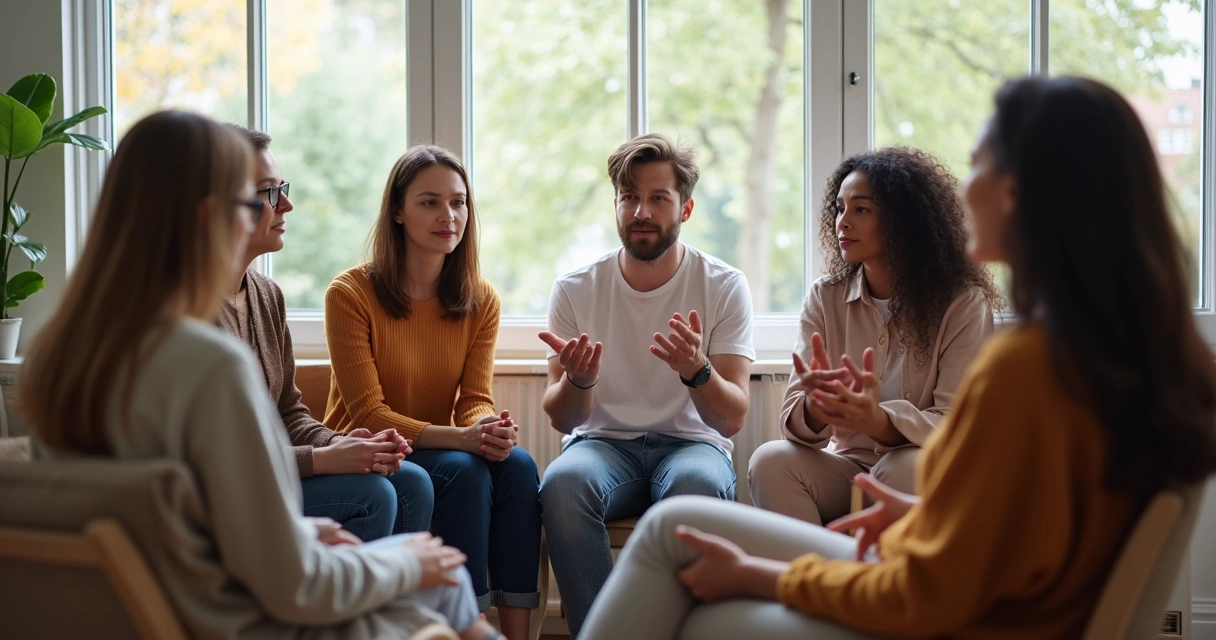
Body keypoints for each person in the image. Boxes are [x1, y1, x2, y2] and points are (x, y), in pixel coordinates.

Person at [578, 76, 1216, 640]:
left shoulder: (1026, 367)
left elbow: (927, 593)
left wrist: (767, 577)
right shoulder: (1136, 355)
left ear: (1023, 192)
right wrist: (917, 516)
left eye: (979, 165)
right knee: (684, 528)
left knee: (691, 573)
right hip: (975, 592)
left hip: (960, 617)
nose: (964, 188)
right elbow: (1016, 533)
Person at [19, 110, 501, 640]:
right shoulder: (207, 365)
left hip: (152, 606)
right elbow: (297, 587)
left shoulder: (54, 355)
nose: (276, 209)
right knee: (448, 578)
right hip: (242, 620)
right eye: (257, 200)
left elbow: (187, 513)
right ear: (209, 215)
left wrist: (305, 527)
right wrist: (411, 560)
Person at [537, 133, 755, 636]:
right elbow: (563, 418)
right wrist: (579, 380)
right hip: (602, 446)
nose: (642, 211)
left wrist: (697, 372)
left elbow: (732, 417)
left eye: (658, 198)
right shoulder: (575, 289)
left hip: (692, 447)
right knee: (563, 485)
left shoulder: (723, 285)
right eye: (629, 197)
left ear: (686, 208)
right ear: (615, 204)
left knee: (695, 486)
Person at [323, 145, 540, 640]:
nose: (449, 216)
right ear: (397, 212)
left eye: (459, 202)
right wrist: (462, 439)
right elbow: (371, 414)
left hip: (440, 444)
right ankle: (468, 626)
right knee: (465, 470)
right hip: (370, 449)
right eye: (429, 202)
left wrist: (485, 425)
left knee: (519, 465)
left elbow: (474, 397)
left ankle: (516, 633)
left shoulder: (480, 298)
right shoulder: (350, 294)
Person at [748, 147, 999, 525]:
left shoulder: (962, 303)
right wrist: (818, 408)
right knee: (768, 462)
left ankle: (872, 581)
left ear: (903, 221)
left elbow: (954, 423)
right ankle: (822, 577)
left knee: (899, 470)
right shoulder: (825, 295)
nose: (842, 222)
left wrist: (878, 420)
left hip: (925, 467)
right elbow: (795, 422)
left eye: (861, 209)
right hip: (849, 465)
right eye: (839, 208)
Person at [217, 124, 434, 541]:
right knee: (371, 495)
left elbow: (289, 413)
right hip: (229, 490)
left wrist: (341, 443)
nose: (288, 205)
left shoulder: (266, 295)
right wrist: (322, 459)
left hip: (272, 472)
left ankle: (392, 603)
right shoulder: (188, 315)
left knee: (413, 480)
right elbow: (220, 457)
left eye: (284, 188)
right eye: (270, 192)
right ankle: (352, 603)